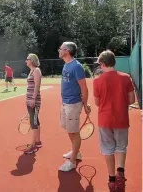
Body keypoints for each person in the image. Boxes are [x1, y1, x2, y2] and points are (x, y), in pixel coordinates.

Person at [93, 50, 135, 192]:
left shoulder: (97, 81)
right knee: (121, 148)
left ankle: (111, 180)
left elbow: (97, 103)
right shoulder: (126, 78)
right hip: (122, 119)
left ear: (103, 64)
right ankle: (120, 173)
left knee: (108, 149)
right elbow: (131, 100)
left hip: (105, 120)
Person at [58, 42, 90, 172]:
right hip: (65, 102)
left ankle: (72, 162)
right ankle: (76, 152)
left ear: (67, 51)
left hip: (73, 103)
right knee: (68, 128)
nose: (59, 50)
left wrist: (86, 104)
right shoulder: (66, 64)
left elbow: (84, 87)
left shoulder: (76, 67)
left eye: (61, 48)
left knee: (73, 131)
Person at [23, 54, 43, 154]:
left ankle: (33, 145)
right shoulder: (31, 71)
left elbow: (37, 86)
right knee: (35, 120)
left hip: (34, 100)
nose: (26, 61)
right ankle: (38, 141)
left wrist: (33, 99)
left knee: (33, 122)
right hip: (30, 99)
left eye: (27, 59)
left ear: (32, 60)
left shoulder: (36, 70)